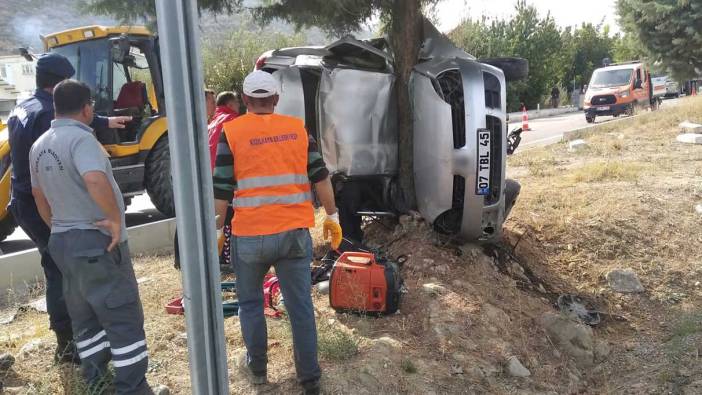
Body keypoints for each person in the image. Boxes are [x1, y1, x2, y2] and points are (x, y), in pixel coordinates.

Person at [213, 70, 342, 395]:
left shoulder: (233, 132)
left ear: (244, 101)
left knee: (251, 304)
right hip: (293, 234)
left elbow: (222, 187)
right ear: (276, 100)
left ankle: (257, 370)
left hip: (250, 236)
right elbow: (321, 176)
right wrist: (333, 215)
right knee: (299, 306)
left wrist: (216, 228)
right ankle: (309, 377)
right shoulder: (296, 130)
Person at [6, 53, 131, 364]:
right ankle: (68, 343)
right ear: (59, 83)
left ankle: (72, 338)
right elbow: (63, 141)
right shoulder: (45, 116)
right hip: (40, 204)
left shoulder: (23, 107)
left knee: (58, 265)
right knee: (60, 270)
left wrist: (102, 121)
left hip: (22, 200)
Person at [31, 80, 152, 394]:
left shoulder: (40, 144)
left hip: (63, 243)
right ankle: (133, 388)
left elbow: (38, 195)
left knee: (85, 318)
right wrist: (114, 219)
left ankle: (97, 382)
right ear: (86, 108)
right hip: (96, 242)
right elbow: (95, 179)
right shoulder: (82, 141)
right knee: (123, 317)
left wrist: (56, 225)